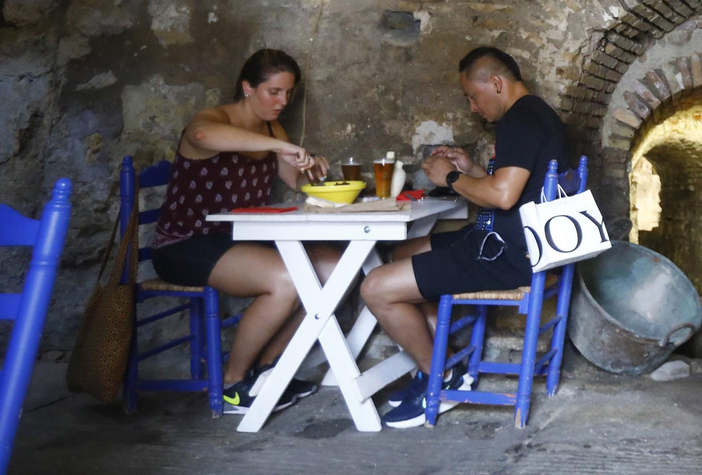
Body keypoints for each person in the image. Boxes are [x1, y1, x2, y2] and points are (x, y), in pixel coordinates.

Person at [360, 45, 569, 428]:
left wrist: (451, 179)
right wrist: (470, 167)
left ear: (496, 82)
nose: (473, 107)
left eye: (473, 96)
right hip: (513, 243)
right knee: (402, 252)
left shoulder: (519, 121)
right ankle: (439, 357)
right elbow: (518, 184)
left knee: (375, 287)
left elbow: (503, 196)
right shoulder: (540, 115)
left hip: (504, 255)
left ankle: (439, 378)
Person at [149, 48, 340, 414]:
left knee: (331, 268)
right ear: (247, 87)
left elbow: (296, 181)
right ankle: (233, 383)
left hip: (238, 242)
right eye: (274, 92)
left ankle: (269, 370)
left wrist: (311, 170)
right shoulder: (212, 120)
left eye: (289, 93)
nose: (283, 101)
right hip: (186, 245)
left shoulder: (271, 126)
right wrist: (280, 145)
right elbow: (202, 134)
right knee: (287, 280)